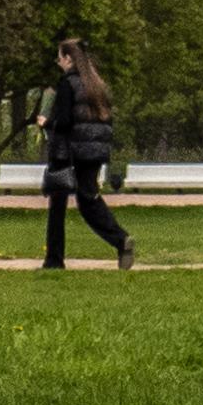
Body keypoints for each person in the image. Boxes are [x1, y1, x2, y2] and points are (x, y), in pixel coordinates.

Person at [39, 34, 132, 272]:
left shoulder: (67, 83)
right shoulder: (97, 84)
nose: (57, 61)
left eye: (59, 57)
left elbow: (66, 121)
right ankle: (120, 240)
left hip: (69, 151)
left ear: (68, 58)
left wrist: (47, 123)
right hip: (94, 151)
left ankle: (54, 259)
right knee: (89, 199)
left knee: (58, 204)